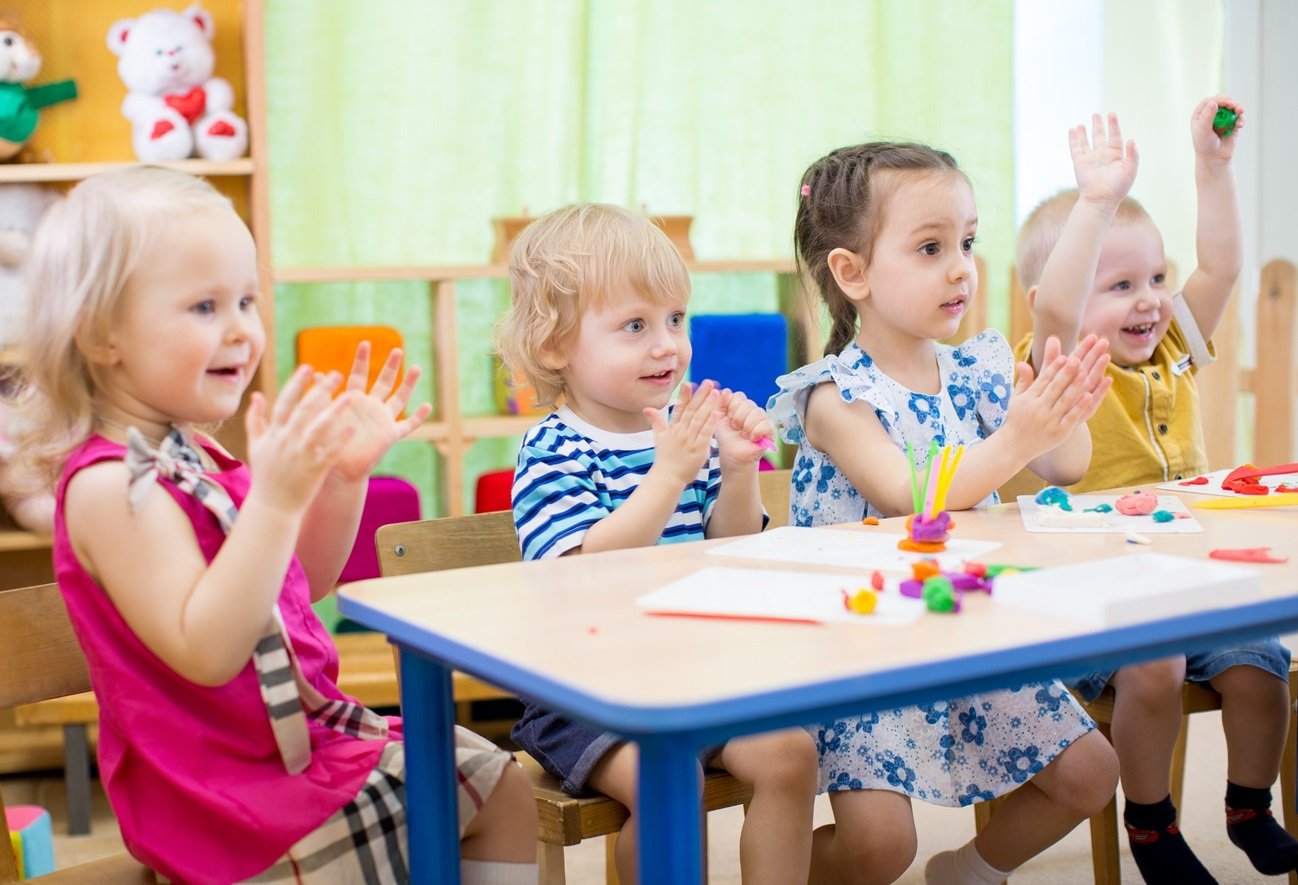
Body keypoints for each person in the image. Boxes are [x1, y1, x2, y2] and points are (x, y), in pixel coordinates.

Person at [10, 165, 539, 885]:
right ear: (104, 334)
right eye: (203, 306)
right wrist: (276, 499)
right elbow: (207, 650)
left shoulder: (194, 453)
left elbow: (300, 584)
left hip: (299, 751)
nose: (240, 330)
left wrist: (341, 481)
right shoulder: (112, 486)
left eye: (247, 300)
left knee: (499, 782)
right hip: (223, 800)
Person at [766, 141, 1120, 885]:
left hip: (966, 632)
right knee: (878, 848)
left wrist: (1054, 410)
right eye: (930, 247)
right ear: (851, 273)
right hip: (864, 655)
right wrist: (1018, 435)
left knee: (1092, 773)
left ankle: (967, 871)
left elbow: (1067, 464)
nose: (961, 266)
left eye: (966, 242)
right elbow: (910, 491)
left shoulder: (977, 368)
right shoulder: (832, 396)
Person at [495, 202, 818, 884]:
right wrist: (668, 474)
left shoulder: (683, 429)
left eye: (675, 319)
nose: (667, 344)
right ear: (554, 345)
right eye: (635, 326)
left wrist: (735, 468)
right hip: (584, 688)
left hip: (689, 666)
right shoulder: (552, 448)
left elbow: (728, 543)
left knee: (789, 752)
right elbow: (581, 568)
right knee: (672, 779)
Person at [1015, 100, 1296, 883]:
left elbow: (1223, 266)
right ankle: (1152, 823)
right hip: (1095, 588)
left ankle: (1246, 804)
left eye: (1156, 279)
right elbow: (1062, 305)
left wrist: (1213, 170)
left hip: (1191, 574)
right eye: (1120, 284)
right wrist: (1094, 204)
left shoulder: (1173, 343)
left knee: (1258, 664)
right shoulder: (1057, 359)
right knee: (1157, 663)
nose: (1148, 299)